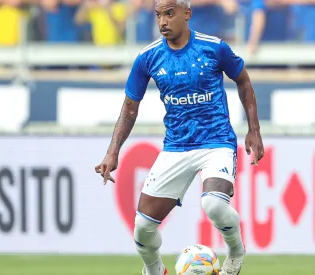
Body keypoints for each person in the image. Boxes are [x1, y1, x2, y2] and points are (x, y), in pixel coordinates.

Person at [94, 0, 264, 275]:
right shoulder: (147, 58)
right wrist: (113, 152)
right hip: (176, 146)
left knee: (213, 204)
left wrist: (253, 130)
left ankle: (235, 250)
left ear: (187, 14)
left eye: (169, 14)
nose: (162, 21)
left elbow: (243, 79)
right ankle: (154, 269)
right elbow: (129, 108)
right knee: (142, 228)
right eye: (158, 14)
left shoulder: (214, 47)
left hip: (216, 141)